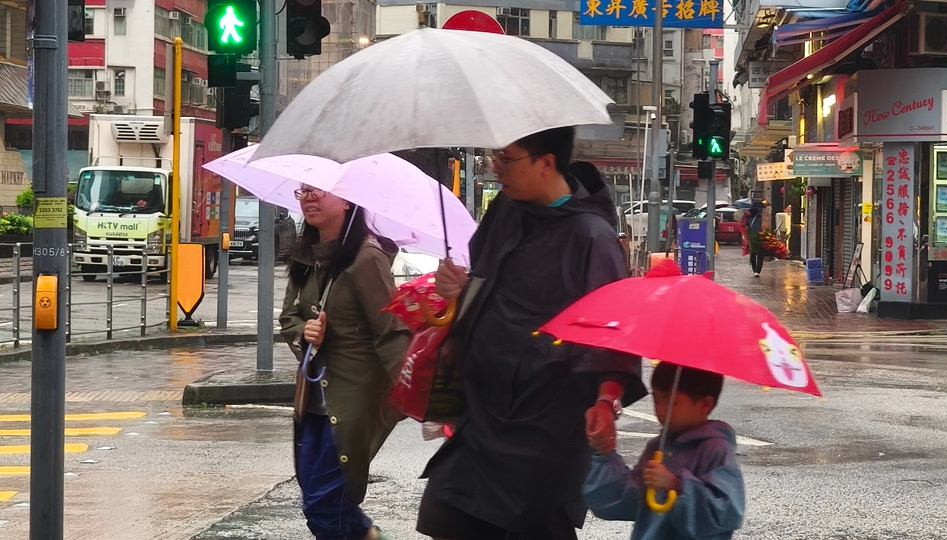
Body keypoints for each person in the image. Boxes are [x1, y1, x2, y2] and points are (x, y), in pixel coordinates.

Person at [416, 127, 646, 540]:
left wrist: (607, 398)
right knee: (447, 516)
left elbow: (611, 331)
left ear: (546, 163)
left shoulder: (592, 238)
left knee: (530, 525)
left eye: (507, 158)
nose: (495, 168)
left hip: (545, 426)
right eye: (494, 156)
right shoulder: (506, 208)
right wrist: (458, 288)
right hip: (482, 417)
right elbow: (484, 284)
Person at [279, 184, 410, 540]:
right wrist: (305, 332)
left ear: (349, 197)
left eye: (319, 190)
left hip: (351, 402)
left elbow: (391, 332)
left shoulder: (367, 258)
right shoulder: (307, 257)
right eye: (303, 190)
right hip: (311, 401)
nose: (308, 197)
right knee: (318, 500)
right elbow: (288, 318)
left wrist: (420, 396)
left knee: (325, 506)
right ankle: (368, 535)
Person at [582, 362, 745, 540]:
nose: (660, 410)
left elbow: (726, 514)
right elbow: (626, 499)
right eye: (656, 399)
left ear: (705, 404)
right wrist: (605, 454)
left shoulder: (715, 449)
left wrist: (677, 485)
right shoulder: (658, 447)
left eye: (672, 402)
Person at [743, 207, 764, 277]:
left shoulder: (749, 219)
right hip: (760, 238)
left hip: (752, 238)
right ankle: (758, 270)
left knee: (753, 254)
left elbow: (746, 229)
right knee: (760, 254)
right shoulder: (760, 219)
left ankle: (754, 270)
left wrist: (748, 237)